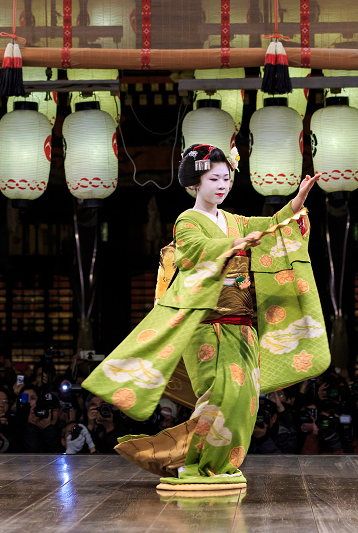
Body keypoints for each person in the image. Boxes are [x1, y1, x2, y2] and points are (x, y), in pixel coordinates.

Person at [83, 144, 329, 491]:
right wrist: (235, 244)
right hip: (207, 324)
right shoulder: (188, 220)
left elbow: (275, 226)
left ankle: (215, 465)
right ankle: (196, 465)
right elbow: (195, 250)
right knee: (219, 397)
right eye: (213, 178)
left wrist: (297, 201)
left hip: (242, 328)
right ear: (194, 184)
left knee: (244, 400)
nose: (222, 184)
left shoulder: (234, 221)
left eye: (226, 178)